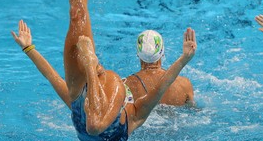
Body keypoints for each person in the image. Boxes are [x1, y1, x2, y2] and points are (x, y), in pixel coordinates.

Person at [11, 0, 197, 141]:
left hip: (93, 121)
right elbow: (162, 85)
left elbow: (95, 125)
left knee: (104, 90)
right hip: (93, 111)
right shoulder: (137, 113)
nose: (100, 67)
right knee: (77, 13)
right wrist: (29, 48)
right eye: (99, 67)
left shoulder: (116, 90)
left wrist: (90, 65)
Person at [11, 23, 195, 107]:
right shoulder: (184, 85)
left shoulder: (123, 87)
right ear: (163, 52)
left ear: (137, 55)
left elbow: (53, 77)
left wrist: (28, 47)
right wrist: (184, 58)